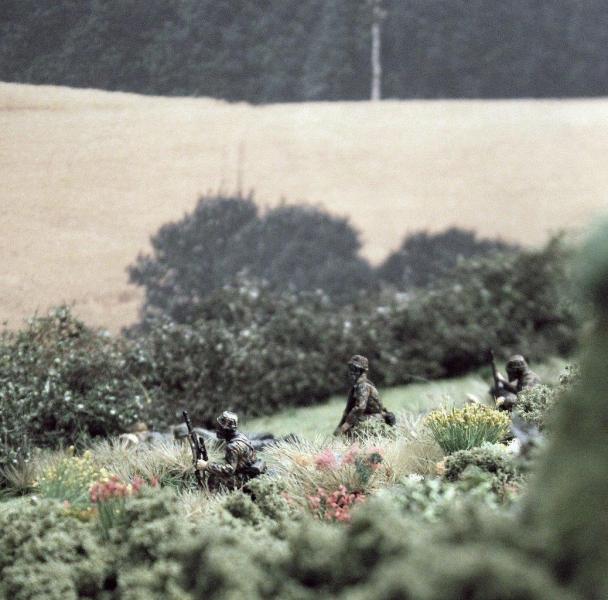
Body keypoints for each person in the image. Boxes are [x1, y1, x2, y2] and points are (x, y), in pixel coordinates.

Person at [196, 411, 266, 490]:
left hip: (247, 477)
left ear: (227, 429)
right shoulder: (240, 436)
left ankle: (212, 495)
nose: (217, 430)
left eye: (220, 428)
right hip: (248, 470)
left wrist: (206, 466)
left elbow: (229, 471)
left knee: (214, 478)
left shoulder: (232, 447)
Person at [334, 355, 395, 436]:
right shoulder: (358, 386)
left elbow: (360, 407)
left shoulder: (363, 385)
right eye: (351, 368)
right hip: (371, 416)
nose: (351, 372)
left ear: (362, 371)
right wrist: (339, 428)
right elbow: (349, 409)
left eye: (355, 369)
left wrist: (346, 425)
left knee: (354, 423)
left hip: (374, 419)